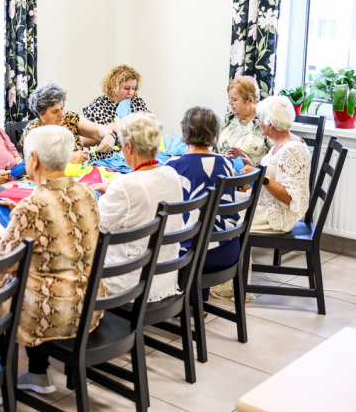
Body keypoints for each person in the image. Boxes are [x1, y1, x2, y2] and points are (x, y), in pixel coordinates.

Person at [0, 125, 104, 402]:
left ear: (33, 159)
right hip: (89, 304)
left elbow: (1, 262)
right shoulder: (87, 192)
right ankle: (36, 372)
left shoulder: (32, 206)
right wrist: (18, 214)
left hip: (54, 314)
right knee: (36, 275)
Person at [93, 113, 184, 302]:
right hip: (166, 278)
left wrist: (89, 198)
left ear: (128, 147)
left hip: (131, 286)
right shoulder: (172, 173)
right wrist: (114, 190)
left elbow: (95, 227)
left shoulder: (125, 185)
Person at [165, 107, 240, 301]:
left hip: (194, 255)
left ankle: (167, 304)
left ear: (184, 131)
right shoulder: (227, 164)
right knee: (204, 226)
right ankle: (200, 303)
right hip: (228, 249)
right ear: (215, 133)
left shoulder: (174, 166)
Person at [235, 96, 311, 234]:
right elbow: (273, 175)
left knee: (224, 218)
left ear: (270, 124)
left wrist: (260, 176)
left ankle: (232, 247)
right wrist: (250, 164)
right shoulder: (281, 142)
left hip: (279, 215)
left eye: (259, 119)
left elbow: (290, 199)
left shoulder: (292, 149)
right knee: (222, 202)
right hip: (266, 202)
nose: (258, 123)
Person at [19, 82, 116, 163]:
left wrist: (109, 135)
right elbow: (31, 164)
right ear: (40, 114)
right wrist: (66, 160)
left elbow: (98, 129)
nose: (62, 114)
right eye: (55, 111)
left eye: (62, 108)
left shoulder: (70, 119)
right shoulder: (33, 131)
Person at [82, 65, 149, 161]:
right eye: (127, 88)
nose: (131, 92)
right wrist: (110, 128)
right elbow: (85, 141)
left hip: (134, 159)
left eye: (133, 88)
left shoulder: (137, 103)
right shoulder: (98, 106)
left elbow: (150, 131)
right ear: (114, 87)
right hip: (105, 160)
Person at [215, 76, 273, 166]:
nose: (230, 102)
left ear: (250, 100)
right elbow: (214, 148)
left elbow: (276, 160)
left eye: (234, 99)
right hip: (222, 172)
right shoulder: (229, 118)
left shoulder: (266, 122)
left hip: (251, 173)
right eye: (229, 98)